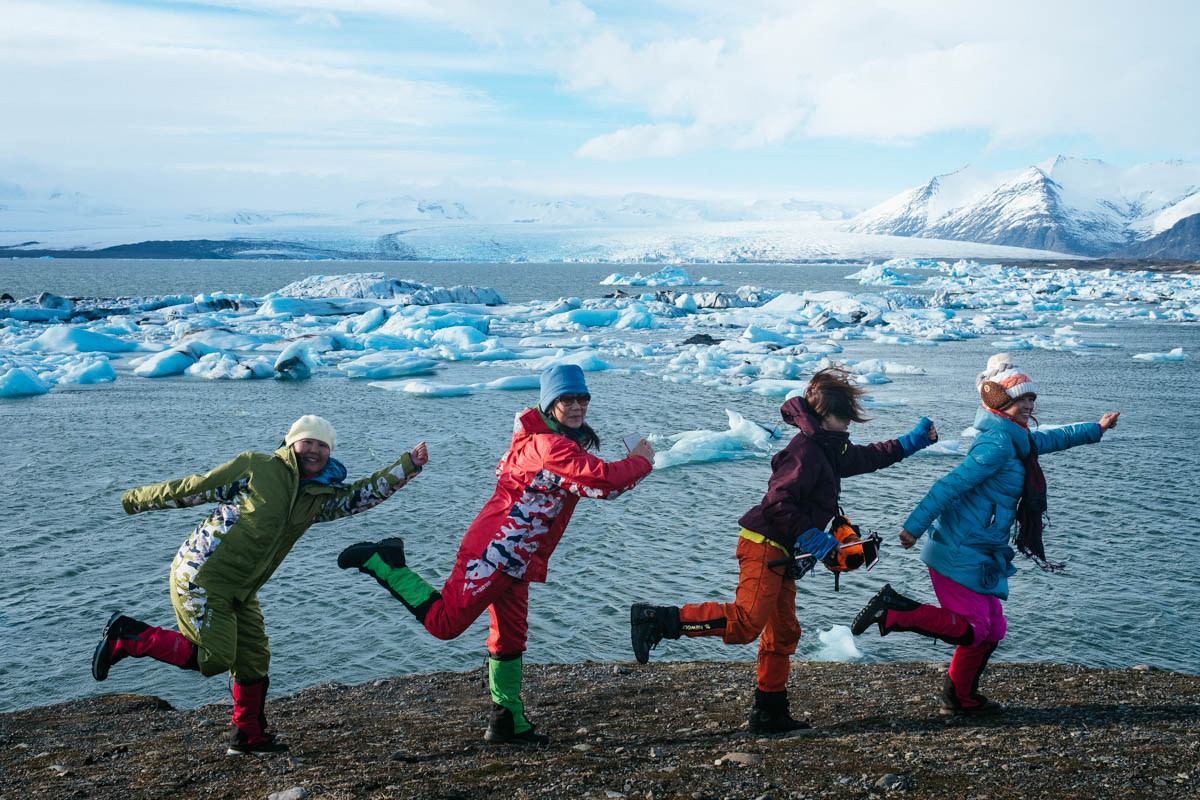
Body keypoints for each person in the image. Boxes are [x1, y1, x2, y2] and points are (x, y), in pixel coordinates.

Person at [338, 364, 654, 747]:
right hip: (492, 551)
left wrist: (633, 467)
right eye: (566, 398)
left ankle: (507, 721)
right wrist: (642, 460)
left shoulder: (556, 441)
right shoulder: (546, 445)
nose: (576, 405)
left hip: (517, 559)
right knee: (444, 624)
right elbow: (604, 480)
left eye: (582, 397)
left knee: (510, 639)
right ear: (550, 402)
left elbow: (602, 488)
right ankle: (384, 562)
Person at [91, 415, 429, 755]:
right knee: (214, 658)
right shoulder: (259, 467)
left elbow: (360, 497)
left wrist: (406, 467)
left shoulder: (319, 494)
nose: (314, 449)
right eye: (307, 441)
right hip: (203, 574)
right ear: (291, 443)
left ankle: (247, 737)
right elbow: (195, 487)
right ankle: (127, 637)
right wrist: (134, 500)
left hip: (243, 587)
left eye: (322, 445)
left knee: (253, 660)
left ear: (330, 452)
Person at [629, 366, 939, 733]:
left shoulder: (829, 446)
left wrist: (912, 442)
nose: (849, 425)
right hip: (764, 545)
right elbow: (777, 502)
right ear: (826, 416)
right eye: (845, 418)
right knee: (746, 623)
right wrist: (815, 539)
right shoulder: (805, 450)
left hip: (784, 552)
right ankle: (657, 620)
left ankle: (769, 712)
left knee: (784, 632)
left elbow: (868, 457)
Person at [850, 353, 1120, 716]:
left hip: (983, 548)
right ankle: (894, 611)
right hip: (960, 548)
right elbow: (949, 486)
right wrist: (913, 528)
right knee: (975, 628)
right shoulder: (994, 446)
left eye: (1031, 398)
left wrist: (1096, 429)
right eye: (1022, 398)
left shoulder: (1017, 440)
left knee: (992, 629)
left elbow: (1054, 437)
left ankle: (959, 698)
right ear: (1001, 402)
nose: (1029, 404)